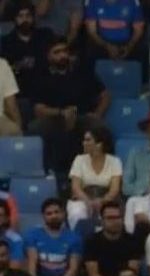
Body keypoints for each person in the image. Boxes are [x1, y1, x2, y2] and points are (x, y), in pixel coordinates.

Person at [28, 37, 110, 174]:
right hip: (54, 117)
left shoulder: (82, 72)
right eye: (57, 52)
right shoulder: (40, 76)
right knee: (36, 127)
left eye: (65, 51)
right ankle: (46, 171)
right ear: (48, 56)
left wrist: (97, 114)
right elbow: (38, 110)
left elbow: (105, 95)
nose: (62, 55)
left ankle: (100, 172)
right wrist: (61, 112)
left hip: (82, 116)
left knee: (99, 126)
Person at [82, 201, 140, 276]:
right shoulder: (92, 241)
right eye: (110, 218)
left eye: (118, 217)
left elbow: (134, 268)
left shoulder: (132, 240)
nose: (115, 221)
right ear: (102, 221)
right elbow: (92, 272)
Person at [26, 198, 84, 276]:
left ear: (64, 214)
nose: (53, 216)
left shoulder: (75, 238)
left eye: (57, 212)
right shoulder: (33, 235)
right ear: (43, 216)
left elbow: (73, 268)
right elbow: (32, 265)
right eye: (49, 214)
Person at [67, 127, 123, 229]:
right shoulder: (79, 159)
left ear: (99, 143)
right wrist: (88, 202)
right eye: (84, 140)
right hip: (83, 198)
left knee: (107, 215)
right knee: (77, 212)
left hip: (107, 199)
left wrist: (102, 201)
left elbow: (115, 189)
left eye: (88, 140)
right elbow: (75, 187)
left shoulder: (115, 161)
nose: (84, 143)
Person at [1, 2, 55, 94]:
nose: (25, 19)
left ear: (33, 17)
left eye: (28, 15)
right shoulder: (5, 43)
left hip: (46, 90)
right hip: (19, 92)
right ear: (14, 19)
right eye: (20, 16)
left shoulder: (46, 36)